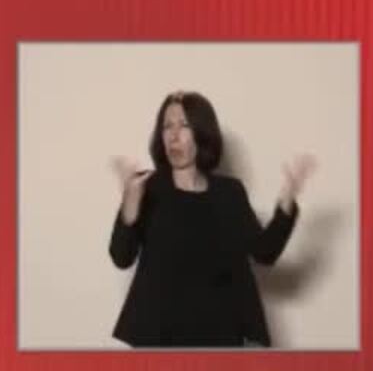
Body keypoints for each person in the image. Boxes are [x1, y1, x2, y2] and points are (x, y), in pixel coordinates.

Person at [108, 90, 315, 347]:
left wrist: (287, 198)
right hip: (159, 338)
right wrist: (129, 208)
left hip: (220, 336)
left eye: (183, 125)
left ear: (202, 132)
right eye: (167, 126)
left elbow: (265, 252)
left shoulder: (229, 193)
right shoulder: (146, 187)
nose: (173, 135)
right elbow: (121, 257)